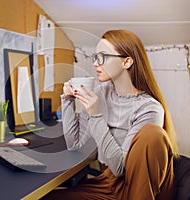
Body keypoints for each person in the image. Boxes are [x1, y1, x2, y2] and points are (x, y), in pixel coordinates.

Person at [42, 30, 179, 200]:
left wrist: (95, 115)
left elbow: (120, 168)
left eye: (103, 57)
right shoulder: (101, 94)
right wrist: (68, 100)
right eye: (95, 56)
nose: (95, 63)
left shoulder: (149, 109)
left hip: (136, 187)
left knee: (153, 133)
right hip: (109, 183)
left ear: (127, 62)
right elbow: (75, 144)